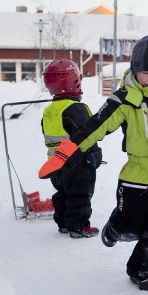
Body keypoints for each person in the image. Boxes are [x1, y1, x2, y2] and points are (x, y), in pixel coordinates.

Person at [39, 36, 148, 291]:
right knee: (131, 226)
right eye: (146, 73)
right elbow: (94, 127)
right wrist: (68, 152)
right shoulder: (123, 100)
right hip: (136, 175)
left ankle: (144, 269)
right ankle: (116, 228)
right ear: (135, 70)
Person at [41, 59, 101, 239]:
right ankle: (79, 226)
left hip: (55, 163)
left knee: (62, 193)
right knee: (80, 194)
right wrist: (94, 153)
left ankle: (63, 224)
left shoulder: (50, 110)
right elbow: (87, 134)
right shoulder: (75, 108)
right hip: (77, 163)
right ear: (74, 81)